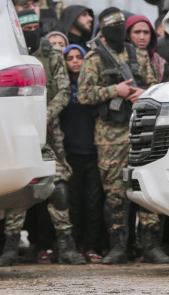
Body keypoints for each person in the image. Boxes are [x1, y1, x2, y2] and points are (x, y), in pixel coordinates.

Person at [77, 7, 167, 265]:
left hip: (141, 129)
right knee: (115, 193)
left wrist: (143, 92)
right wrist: (113, 90)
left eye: (120, 25)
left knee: (148, 186)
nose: (117, 31)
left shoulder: (138, 55)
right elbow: (84, 94)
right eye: (112, 27)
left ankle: (151, 245)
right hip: (110, 135)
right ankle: (118, 246)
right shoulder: (95, 58)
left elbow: (157, 87)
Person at [0, 9, 85, 266]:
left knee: (58, 188)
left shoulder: (52, 54)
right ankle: (10, 246)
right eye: (28, 27)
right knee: (17, 185)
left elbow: (63, 92)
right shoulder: (9, 55)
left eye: (36, 26)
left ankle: (66, 245)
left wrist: (43, 115)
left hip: (48, 134)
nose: (32, 31)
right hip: (16, 133)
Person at [61, 44, 104, 263]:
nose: (76, 61)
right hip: (71, 152)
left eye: (79, 57)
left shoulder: (94, 85)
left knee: (93, 202)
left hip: (94, 150)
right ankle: (74, 245)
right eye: (70, 58)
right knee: (73, 202)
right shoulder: (62, 88)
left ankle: (92, 246)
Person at [126, 15, 169, 83]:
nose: (142, 37)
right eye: (137, 32)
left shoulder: (161, 63)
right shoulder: (120, 59)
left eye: (146, 32)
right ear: (128, 36)